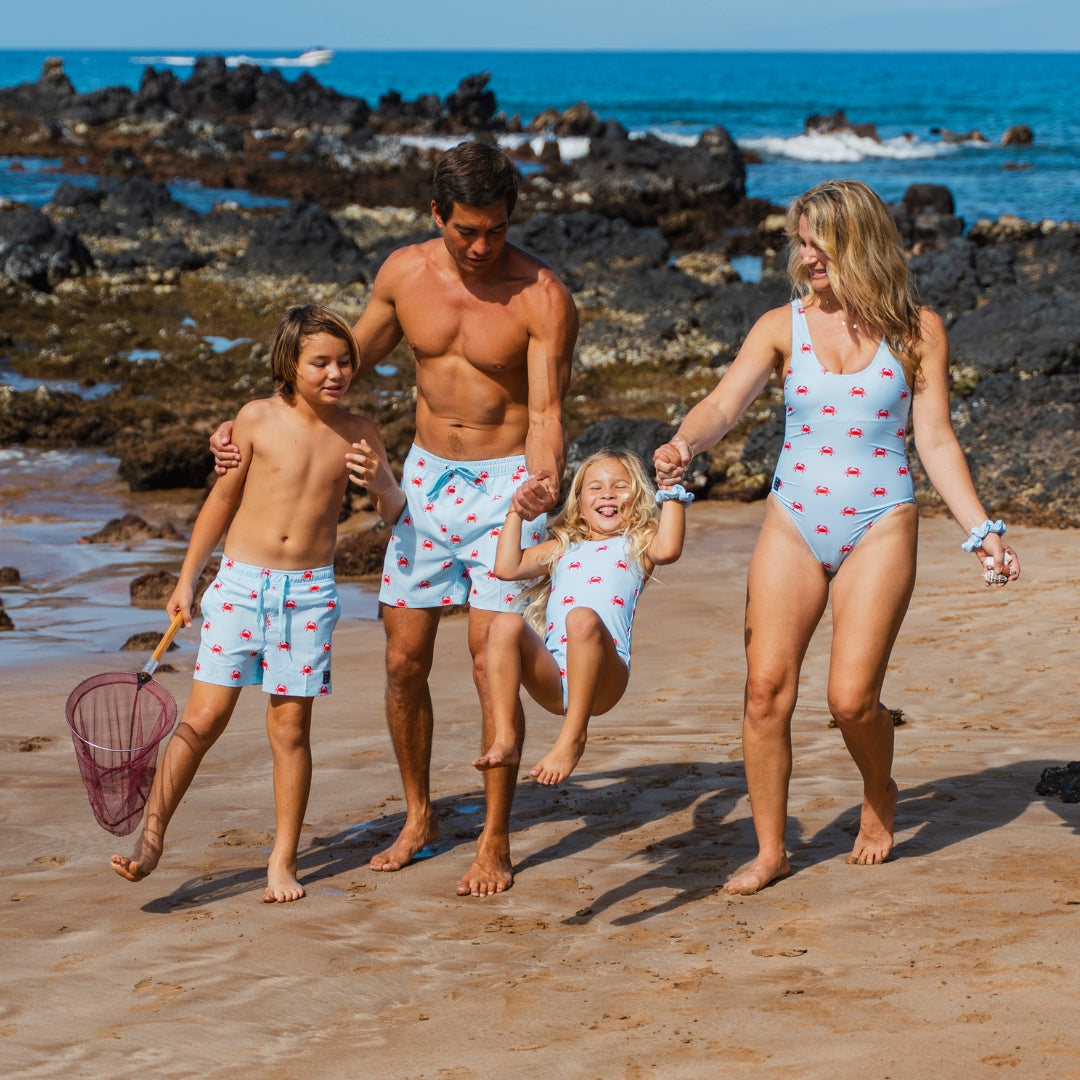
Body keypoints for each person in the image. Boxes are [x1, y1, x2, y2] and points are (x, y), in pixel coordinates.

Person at [210, 142, 578, 896]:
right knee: (404, 662)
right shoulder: (404, 275)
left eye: (496, 231)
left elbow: (546, 412)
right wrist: (247, 422)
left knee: (490, 661)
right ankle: (419, 817)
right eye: (466, 230)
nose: (481, 246)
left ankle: (495, 836)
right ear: (436, 213)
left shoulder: (542, 296)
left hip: (507, 489)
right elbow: (331, 370)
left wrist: (544, 485)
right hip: (423, 484)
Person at [654, 179, 1020, 896]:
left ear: (859, 242)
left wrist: (981, 531)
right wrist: (684, 443)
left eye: (819, 243)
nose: (806, 257)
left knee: (851, 700)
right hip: (793, 521)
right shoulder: (780, 326)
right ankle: (771, 851)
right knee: (765, 691)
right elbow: (723, 405)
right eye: (801, 243)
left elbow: (935, 439)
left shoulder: (918, 331)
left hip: (879, 522)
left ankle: (879, 789)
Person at [112, 305, 404, 902]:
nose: (335, 373)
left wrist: (380, 481)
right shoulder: (254, 419)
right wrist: (187, 580)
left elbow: (395, 511)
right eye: (320, 362)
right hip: (240, 587)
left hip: (309, 595)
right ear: (289, 364)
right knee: (203, 719)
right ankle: (151, 837)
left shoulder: (359, 433)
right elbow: (221, 501)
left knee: (290, 730)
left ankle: (282, 860)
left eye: (344, 362)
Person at [473, 449, 688, 784]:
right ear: (578, 503)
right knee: (504, 623)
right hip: (553, 677)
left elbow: (670, 548)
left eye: (620, 486)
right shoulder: (563, 548)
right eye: (596, 488)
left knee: (581, 618)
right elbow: (507, 567)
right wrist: (516, 513)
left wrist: (671, 488)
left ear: (637, 498)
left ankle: (573, 736)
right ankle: (505, 737)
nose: (608, 494)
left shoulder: (638, 544)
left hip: (605, 677)